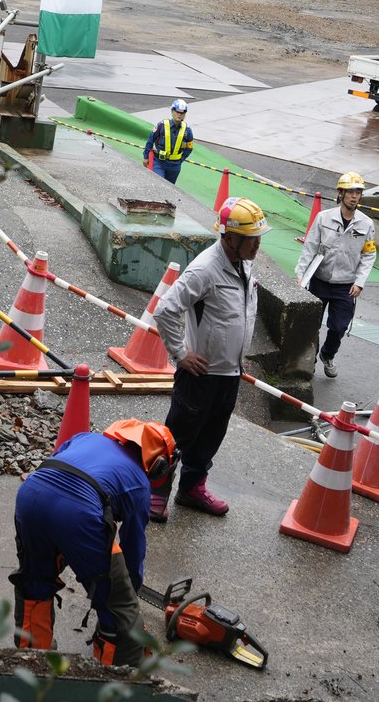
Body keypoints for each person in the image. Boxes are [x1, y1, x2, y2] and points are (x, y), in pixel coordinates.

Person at [11, 419, 177, 667]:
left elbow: (57, 472)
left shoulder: (85, 438)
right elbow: (133, 548)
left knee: (34, 578)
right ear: (159, 466)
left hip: (31, 495)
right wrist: (126, 591)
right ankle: (118, 674)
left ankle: (32, 660)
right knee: (117, 603)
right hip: (78, 513)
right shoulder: (139, 485)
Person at [149, 197, 267, 521]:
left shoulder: (244, 264)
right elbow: (166, 310)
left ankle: (191, 489)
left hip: (229, 374)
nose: (258, 245)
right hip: (200, 374)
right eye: (251, 239)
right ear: (230, 237)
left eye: (259, 238)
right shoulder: (204, 269)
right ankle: (155, 492)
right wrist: (180, 354)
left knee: (211, 435)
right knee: (178, 436)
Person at [293, 171, 377, 379]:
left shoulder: (366, 224)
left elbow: (369, 255)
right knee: (312, 325)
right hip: (319, 281)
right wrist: (300, 275)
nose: (354, 196)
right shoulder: (323, 218)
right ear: (340, 193)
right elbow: (310, 248)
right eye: (350, 192)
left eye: (358, 192)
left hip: (346, 285)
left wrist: (360, 282)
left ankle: (327, 355)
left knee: (338, 327)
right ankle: (309, 360)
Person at [143, 99, 194, 184]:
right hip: (159, 163)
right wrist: (145, 157)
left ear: (185, 114)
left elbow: (189, 147)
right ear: (172, 111)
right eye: (177, 111)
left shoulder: (187, 130)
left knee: (170, 189)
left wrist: (181, 159)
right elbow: (150, 140)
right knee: (159, 184)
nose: (179, 114)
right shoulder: (162, 125)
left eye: (182, 113)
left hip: (175, 166)